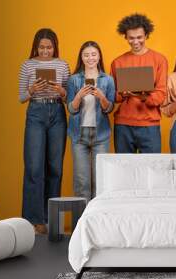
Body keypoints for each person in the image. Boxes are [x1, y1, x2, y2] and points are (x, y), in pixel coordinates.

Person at [19, 28, 70, 234]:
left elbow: (69, 97)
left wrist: (61, 91)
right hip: (36, 112)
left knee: (55, 168)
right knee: (34, 167)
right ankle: (33, 219)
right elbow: (21, 97)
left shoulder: (62, 64)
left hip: (57, 112)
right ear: (35, 46)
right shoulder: (27, 65)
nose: (46, 51)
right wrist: (32, 90)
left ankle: (49, 220)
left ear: (54, 46)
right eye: (42, 47)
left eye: (49, 47)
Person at [110, 13, 168, 153]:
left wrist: (144, 97)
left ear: (146, 35)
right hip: (123, 124)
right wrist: (123, 94)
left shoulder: (159, 60)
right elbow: (113, 96)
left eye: (139, 37)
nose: (135, 41)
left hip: (149, 124)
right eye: (131, 38)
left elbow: (161, 94)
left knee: (153, 170)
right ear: (125, 37)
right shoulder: (117, 62)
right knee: (124, 170)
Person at [67, 41, 115, 201]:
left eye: (94, 54)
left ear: (99, 56)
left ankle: (97, 222)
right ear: (81, 57)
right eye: (86, 55)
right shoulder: (74, 80)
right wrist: (79, 96)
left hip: (101, 135)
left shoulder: (107, 80)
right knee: (82, 182)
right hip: (78, 136)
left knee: (100, 182)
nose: (90, 58)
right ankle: (82, 222)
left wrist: (101, 97)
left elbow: (109, 109)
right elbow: (71, 109)